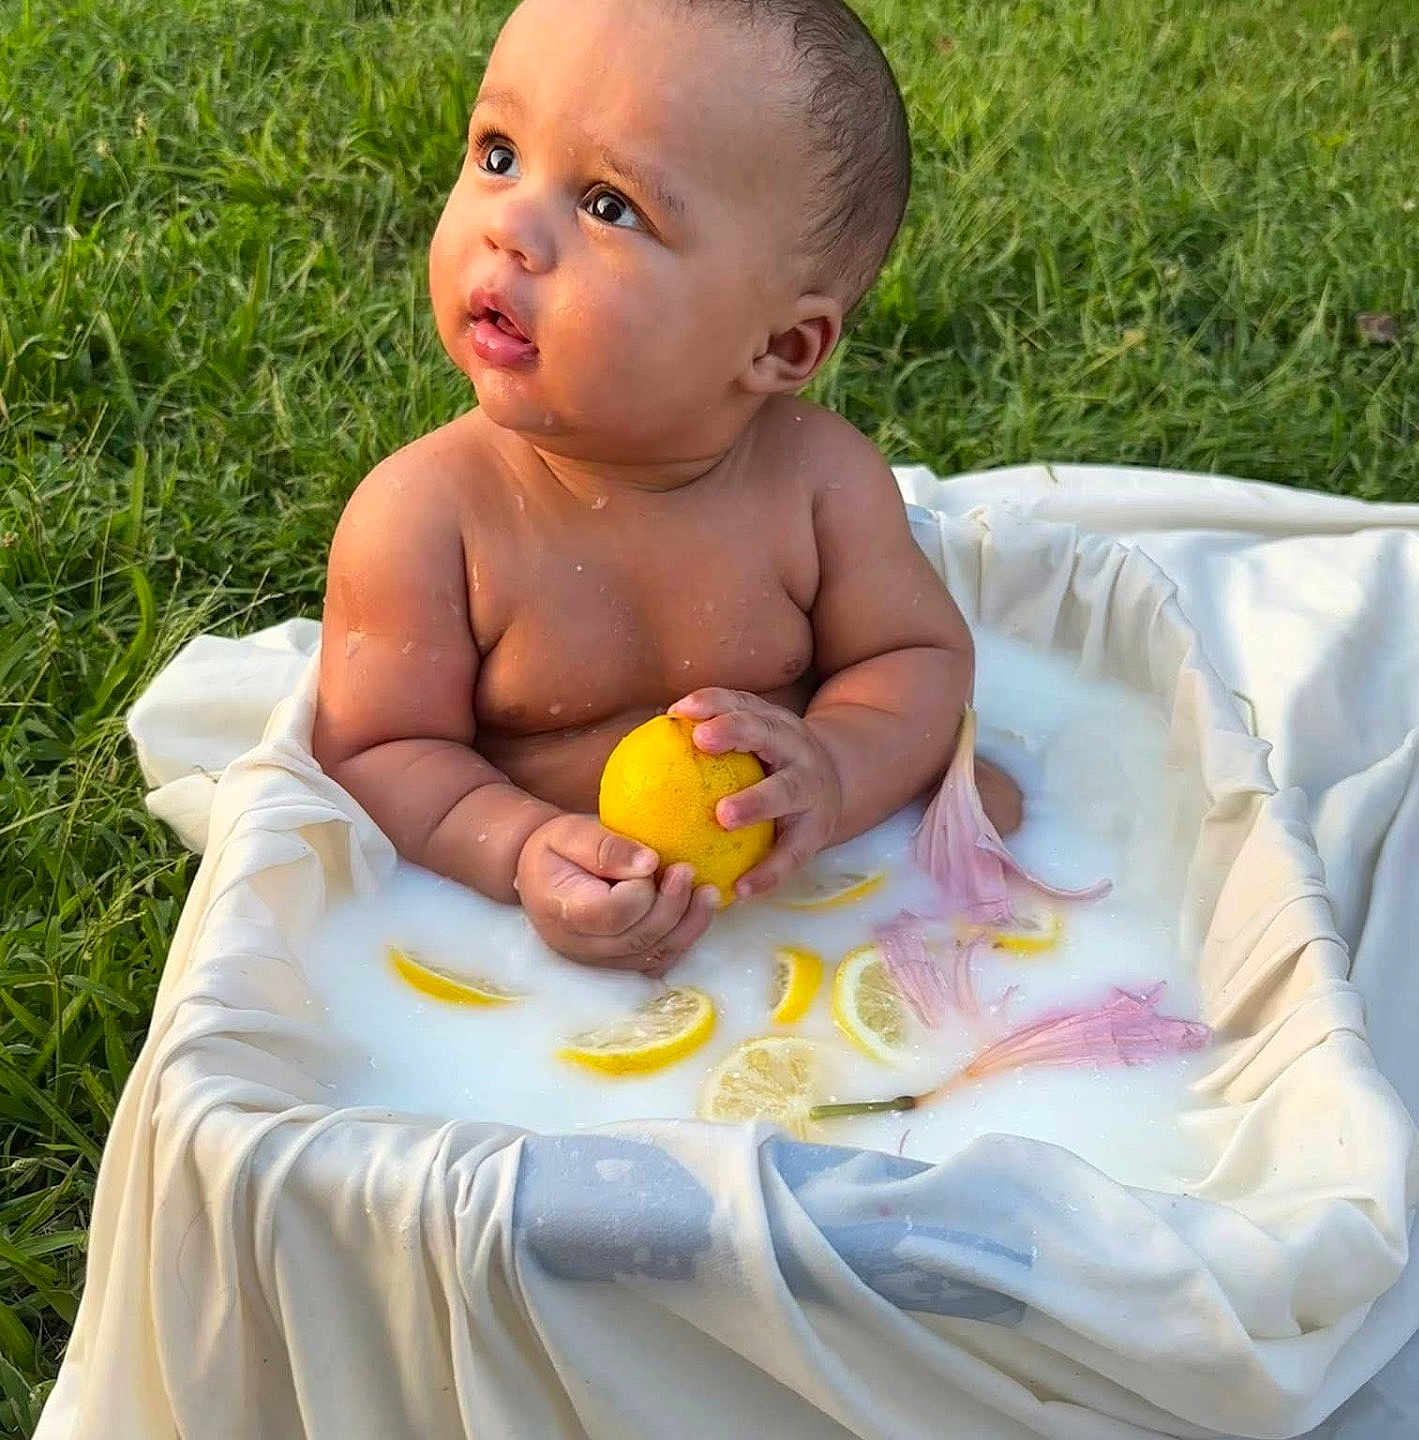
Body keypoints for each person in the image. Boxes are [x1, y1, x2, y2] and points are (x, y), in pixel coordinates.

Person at [312, 0, 1021, 972]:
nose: (508, 226)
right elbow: (374, 751)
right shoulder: (425, 522)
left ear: (778, 347)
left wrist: (840, 770)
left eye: (608, 205)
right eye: (498, 152)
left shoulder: (820, 486)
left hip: (804, 940)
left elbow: (918, 660)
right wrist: (517, 847)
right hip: (526, 967)